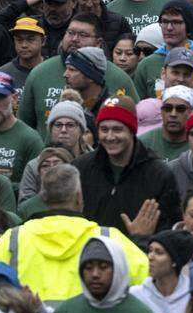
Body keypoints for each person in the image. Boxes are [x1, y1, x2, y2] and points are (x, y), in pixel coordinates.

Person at [0, 162, 150, 303]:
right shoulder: (108, 238)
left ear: (43, 198)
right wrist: (141, 241)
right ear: (79, 197)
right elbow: (147, 284)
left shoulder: (12, 239)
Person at [73, 95, 180, 234]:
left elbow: (170, 230)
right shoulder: (81, 168)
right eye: (104, 130)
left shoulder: (158, 174)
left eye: (117, 129)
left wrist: (142, 238)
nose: (110, 137)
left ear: (131, 130)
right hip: (88, 251)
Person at [130, 229, 193, 313]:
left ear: (175, 261)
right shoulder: (134, 295)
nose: (150, 257)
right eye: (150, 250)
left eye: (159, 252)